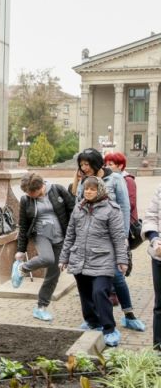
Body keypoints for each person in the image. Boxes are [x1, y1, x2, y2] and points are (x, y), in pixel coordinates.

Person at [72, 149, 145, 332]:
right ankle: (93, 320)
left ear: (97, 163)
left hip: (112, 236)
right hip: (90, 238)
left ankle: (129, 315)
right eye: (81, 165)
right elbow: (78, 207)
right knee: (89, 279)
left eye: (87, 164)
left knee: (117, 276)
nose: (83, 168)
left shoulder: (115, 179)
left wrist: (123, 237)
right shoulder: (84, 181)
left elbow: (124, 207)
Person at [59, 176, 129, 347]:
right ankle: (92, 322)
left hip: (103, 258)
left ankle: (109, 328)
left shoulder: (112, 209)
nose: (88, 191)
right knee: (85, 294)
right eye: (86, 189)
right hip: (80, 259)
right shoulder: (79, 207)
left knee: (99, 292)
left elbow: (119, 237)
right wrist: (64, 257)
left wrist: (122, 260)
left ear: (100, 190)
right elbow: (70, 235)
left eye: (92, 189)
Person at [12, 173, 75, 321]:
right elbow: (23, 225)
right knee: (47, 258)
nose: (30, 195)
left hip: (60, 236)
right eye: (27, 193)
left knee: (54, 275)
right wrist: (21, 250)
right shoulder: (26, 200)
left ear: (41, 186)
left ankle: (41, 308)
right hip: (41, 234)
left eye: (32, 192)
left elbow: (72, 209)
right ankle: (22, 268)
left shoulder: (57, 190)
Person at [141, 182, 161, 351]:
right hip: (160, 256)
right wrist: (155, 240)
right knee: (160, 305)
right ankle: (158, 349)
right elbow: (151, 218)